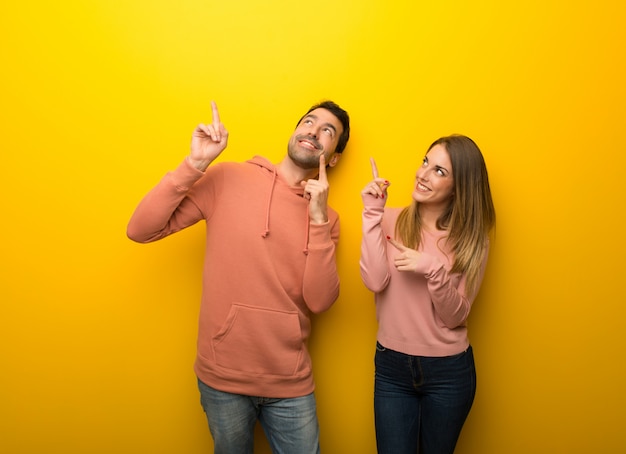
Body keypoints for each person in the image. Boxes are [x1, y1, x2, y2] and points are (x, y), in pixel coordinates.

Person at [127, 99, 350, 454]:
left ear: (333, 156)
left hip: (290, 382)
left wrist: (319, 219)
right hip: (223, 377)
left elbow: (320, 301)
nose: (313, 130)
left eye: (328, 131)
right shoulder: (229, 178)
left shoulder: (328, 218)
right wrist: (195, 164)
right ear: (295, 131)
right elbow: (140, 229)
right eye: (309, 121)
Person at [359, 135, 496, 454]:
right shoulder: (389, 218)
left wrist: (433, 269)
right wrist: (371, 214)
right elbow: (375, 281)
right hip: (391, 368)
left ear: (459, 186)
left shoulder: (472, 240)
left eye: (439, 171)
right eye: (425, 162)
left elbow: (456, 316)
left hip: (448, 372)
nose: (422, 173)